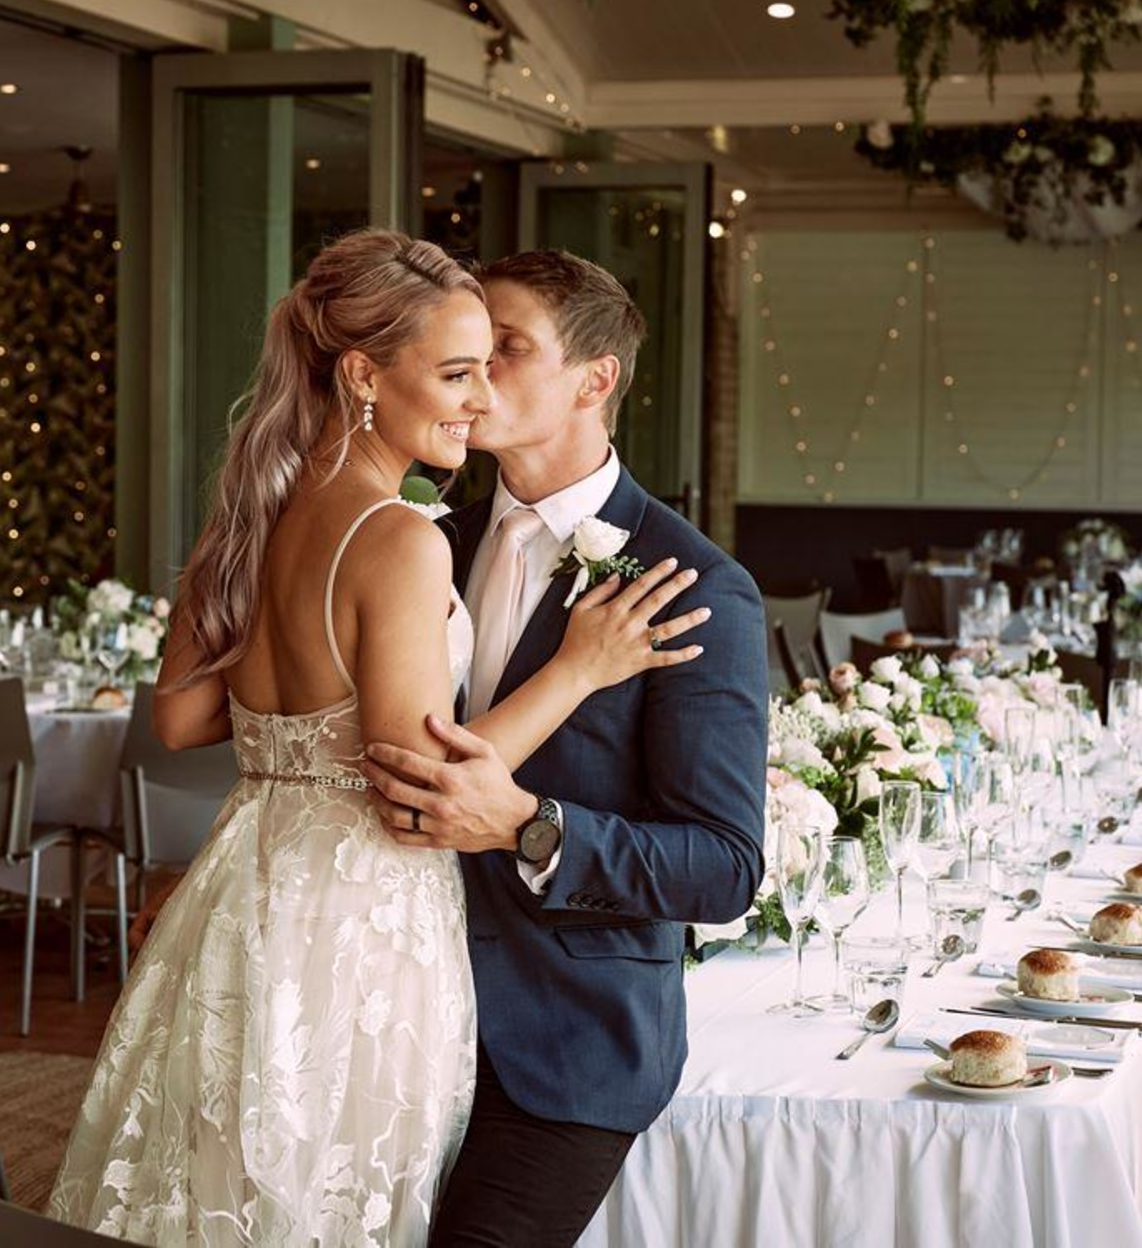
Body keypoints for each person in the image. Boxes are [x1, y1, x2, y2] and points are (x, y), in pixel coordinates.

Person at [46, 231, 710, 1246]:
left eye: (487, 368)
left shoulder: (254, 512)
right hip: (353, 922)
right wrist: (575, 668)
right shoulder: (398, 535)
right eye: (453, 372)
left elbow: (180, 717)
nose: (475, 398)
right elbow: (417, 793)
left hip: (242, 892)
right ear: (362, 373)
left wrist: (310, 700)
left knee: (214, 1182)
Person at [359, 250, 768, 1248]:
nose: (472, 374)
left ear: (594, 380)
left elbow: (722, 867)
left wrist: (531, 825)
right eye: (459, 349)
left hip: (563, 1043)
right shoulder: (418, 536)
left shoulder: (692, 586)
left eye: (505, 348)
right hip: (386, 1012)